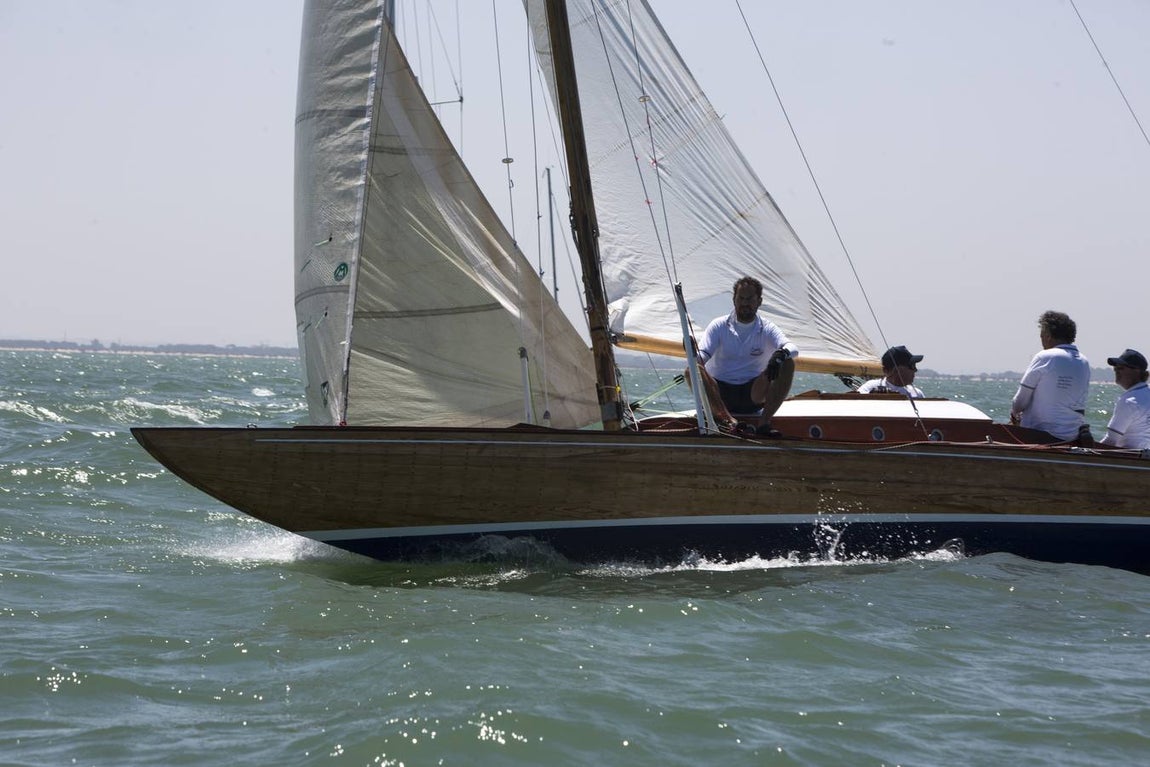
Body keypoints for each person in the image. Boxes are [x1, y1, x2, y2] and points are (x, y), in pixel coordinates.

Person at [694, 276, 798, 426]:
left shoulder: (767, 328)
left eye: (749, 299)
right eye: (741, 298)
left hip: (753, 394)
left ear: (759, 301)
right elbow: (702, 357)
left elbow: (792, 348)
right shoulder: (718, 326)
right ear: (734, 300)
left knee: (788, 363)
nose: (744, 303)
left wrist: (780, 354)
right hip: (720, 394)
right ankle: (728, 420)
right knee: (692, 370)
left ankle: (764, 423)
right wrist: (692, 353)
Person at [1010, 310, 1091, 442]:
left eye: (1041, 336)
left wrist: (1014, 415)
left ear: (1048, 336)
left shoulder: (1045, 356)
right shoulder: (1084, 361)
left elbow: (1019, 402)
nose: (1041, 341)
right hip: (1071, 437)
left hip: (1041, 436)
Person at [1100, 348, 1150, 449]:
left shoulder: (1129, 401)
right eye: (1115, 368)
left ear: (1136, 371)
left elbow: (1110, 440)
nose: (1116, 370)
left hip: (1128, 459)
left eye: (1121, 368)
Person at [857, 345, 926, 398]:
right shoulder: (870, 387)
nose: (915, 370)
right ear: (895, 370)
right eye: (912, 366)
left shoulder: (917, 394)